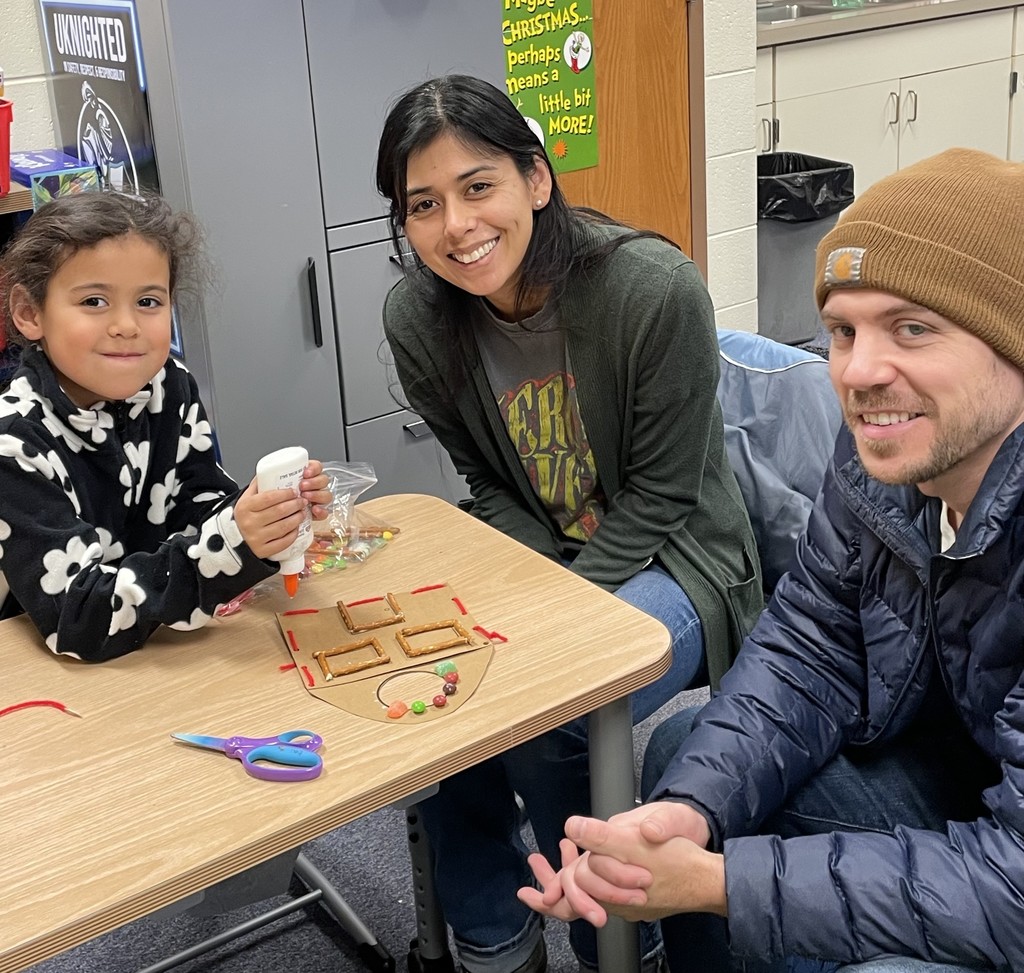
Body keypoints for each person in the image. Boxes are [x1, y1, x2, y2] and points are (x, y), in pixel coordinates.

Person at [519, 146, 1024, 973]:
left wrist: (722, 882)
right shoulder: (882, 459)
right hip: (960, 772)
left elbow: (1015, 890)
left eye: (912, 328)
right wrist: (687, 815)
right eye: (842, 331)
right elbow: (809, 645)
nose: (859, 372)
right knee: (686, 759)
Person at [376, 74, 762, 973]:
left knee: (553, 707)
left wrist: (558, 613)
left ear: (536, 180)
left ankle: (619, 939)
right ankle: (493, 930)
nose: (457, 227)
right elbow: (486, 477)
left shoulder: (651, 288)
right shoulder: (418, 319)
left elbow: (667, 496)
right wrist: (534, 591)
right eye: (423, 205)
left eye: (479, 187)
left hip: (683, 558)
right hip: (548, 551)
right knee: (441, 680)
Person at [0, 191, 332, 661]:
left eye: (149, 301)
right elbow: (76, 616)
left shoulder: (168, 383)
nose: (126, 325)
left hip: (162, 650)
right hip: (63, 678)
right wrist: (231, 545)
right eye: (94, 300)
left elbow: (197, 508)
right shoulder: (13, 445)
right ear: (30, 313)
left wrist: (261, 513)